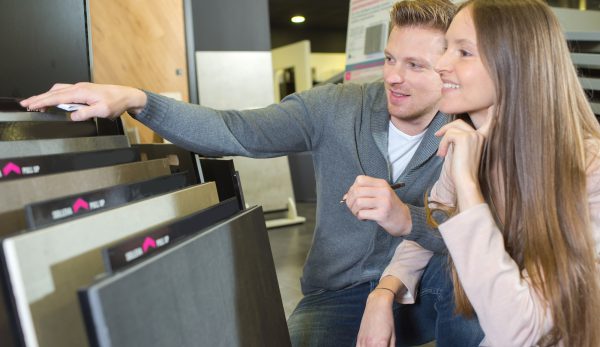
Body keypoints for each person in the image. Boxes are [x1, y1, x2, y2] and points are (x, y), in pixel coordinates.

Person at [21, 1, 481, 345]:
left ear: (447, 66)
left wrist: (405, 223)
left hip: (425, 293)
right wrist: (139, 100)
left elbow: (482, 235)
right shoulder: (334, 107)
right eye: (388, 59)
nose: (394, 77)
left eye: (415, 65)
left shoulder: (468, 130)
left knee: (459, 266)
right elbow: (235, 130)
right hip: (337, 294)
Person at [357, 0, 600, 346]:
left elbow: (517, 329)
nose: (441, 65)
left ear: (515, 64)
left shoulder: (589, 169)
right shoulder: (467, 143)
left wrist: (469, 185)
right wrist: (383, 292)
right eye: (446, 51)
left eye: (464, 52)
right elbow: (435, 223)